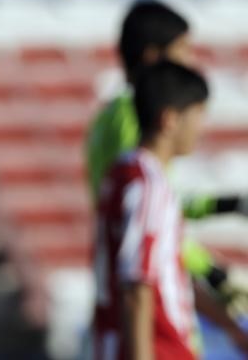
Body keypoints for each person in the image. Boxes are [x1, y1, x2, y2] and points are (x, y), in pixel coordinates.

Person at [86, 0, 248, 301]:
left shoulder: (110, 115)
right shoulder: (132, 117)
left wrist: (228, 205)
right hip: (144, 298)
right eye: (183, 50)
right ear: (153, 57)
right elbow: (148, 212)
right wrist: (214, 273)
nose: (189, 61)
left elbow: (159, 202)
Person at [93, 61, 248, 359]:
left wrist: (229, 326)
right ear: (170, 120)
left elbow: (166, 273)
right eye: (199, 114)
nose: (202, 126)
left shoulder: (123, 174)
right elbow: (137, 287)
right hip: (160, 350)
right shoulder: (147, 186)